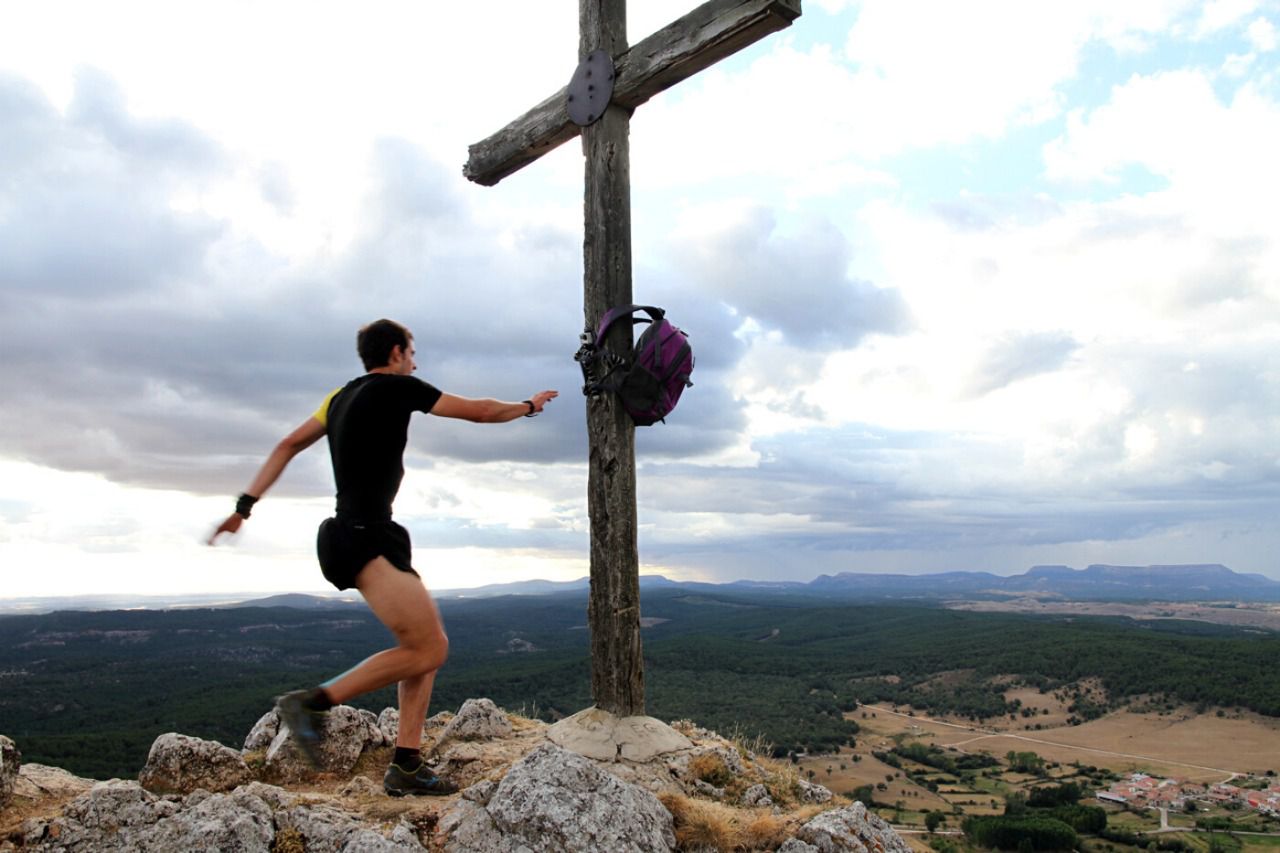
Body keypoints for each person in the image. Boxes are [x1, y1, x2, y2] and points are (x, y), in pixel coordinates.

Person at [210, 318, 557, 796]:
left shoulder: (339, 397)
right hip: (364, 536)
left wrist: (243, 508)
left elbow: (287, 444)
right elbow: (478, 411)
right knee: (431, 648)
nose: (416, 361)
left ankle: (407, 763)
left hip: (354, 535)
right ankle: (311, 702)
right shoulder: (398, 389)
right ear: (395, 353)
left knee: (424, 647)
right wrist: (528, 406)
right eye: (412, 352)